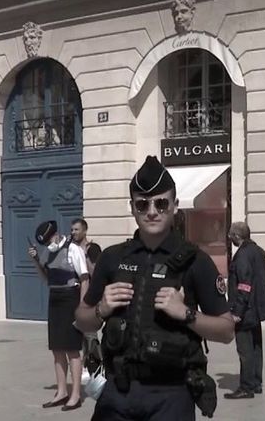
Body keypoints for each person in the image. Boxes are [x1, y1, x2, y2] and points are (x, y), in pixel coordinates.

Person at [74, 156, 235, 420]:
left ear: (175, 206)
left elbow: (227, 330)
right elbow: (82, 320)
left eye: (161, 203)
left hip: (171, 395)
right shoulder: (113, 258)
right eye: (143, 204)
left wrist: (186, 314)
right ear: (133, 208)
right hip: (117, 393)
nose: (152, 211)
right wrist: (101, 310)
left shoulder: (196, 262)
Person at [28, 220, 89, 411]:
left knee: (72, 349)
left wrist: (81, 307)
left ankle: (76, 395)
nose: (47, 245)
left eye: (48, 241)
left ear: (55, 234)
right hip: (54, 298)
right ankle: (62, 392)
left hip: (70, 299)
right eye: (44, 243)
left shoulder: (73, 249)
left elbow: (84, 279)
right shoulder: (48, 251)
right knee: (56, 349)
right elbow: (46, 278)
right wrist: (36, 260)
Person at [224, 221, 265, 399]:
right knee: (256, 347)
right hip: (257, 308)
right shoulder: (260, 252)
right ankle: (256, 382)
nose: (230, 239)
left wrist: (237, 311)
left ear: (237, 236)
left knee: (245, 350)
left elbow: (244, 285)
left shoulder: (243, 255)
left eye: (231, 236)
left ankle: (246, 387)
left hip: (246, 310)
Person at [70, 218, 103, 378]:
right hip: (75, 295)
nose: (73, 233)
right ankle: (84, 365)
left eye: (76, 229)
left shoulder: (92, 248)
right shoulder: (71, 249)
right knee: (79, 331)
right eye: (72, 230)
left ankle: (95, 365)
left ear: (84, 230)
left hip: (90, 296)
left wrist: (83, 258)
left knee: (90, 333)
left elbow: (96, 272)